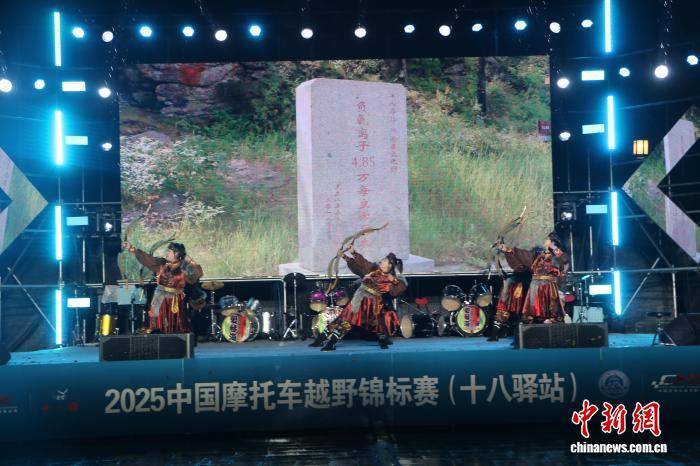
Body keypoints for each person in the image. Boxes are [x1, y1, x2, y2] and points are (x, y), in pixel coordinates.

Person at [310, 245, 406, 351]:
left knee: (376, 324)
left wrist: (394, 281)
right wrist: (349, 254)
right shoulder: (373, 269)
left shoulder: (392, 279)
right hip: (359, 300)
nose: (381, 262)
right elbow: (362, 263)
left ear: (390, 265)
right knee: (345, 320)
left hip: (374, 305)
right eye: (383, 260)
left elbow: (398, 290)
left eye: (384, 261)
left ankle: (383, 340)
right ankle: (328, 341)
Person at [122, 241, 203, 334]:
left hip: (175, 298)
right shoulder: (162, 263)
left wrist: (190, 261)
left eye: (169, 252)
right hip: (159, 296)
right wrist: (132, 249)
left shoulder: (184, 266)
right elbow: (148, 260)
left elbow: (197, 274)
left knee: (176, 323)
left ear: (177, 254)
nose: (167, 253)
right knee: (155, 320)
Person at [493, 232, 569, 325]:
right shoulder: (537, 255)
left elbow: (565, 261)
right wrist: (506, 249)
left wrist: (554, 248)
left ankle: (551, 323)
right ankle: (529, 326)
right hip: (535, 285)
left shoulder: (557, 256)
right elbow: (522, 254)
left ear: (553, 242)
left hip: (549, 286)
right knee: (531, 310)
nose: (544, 241)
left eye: (547, 239)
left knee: (553, 309)